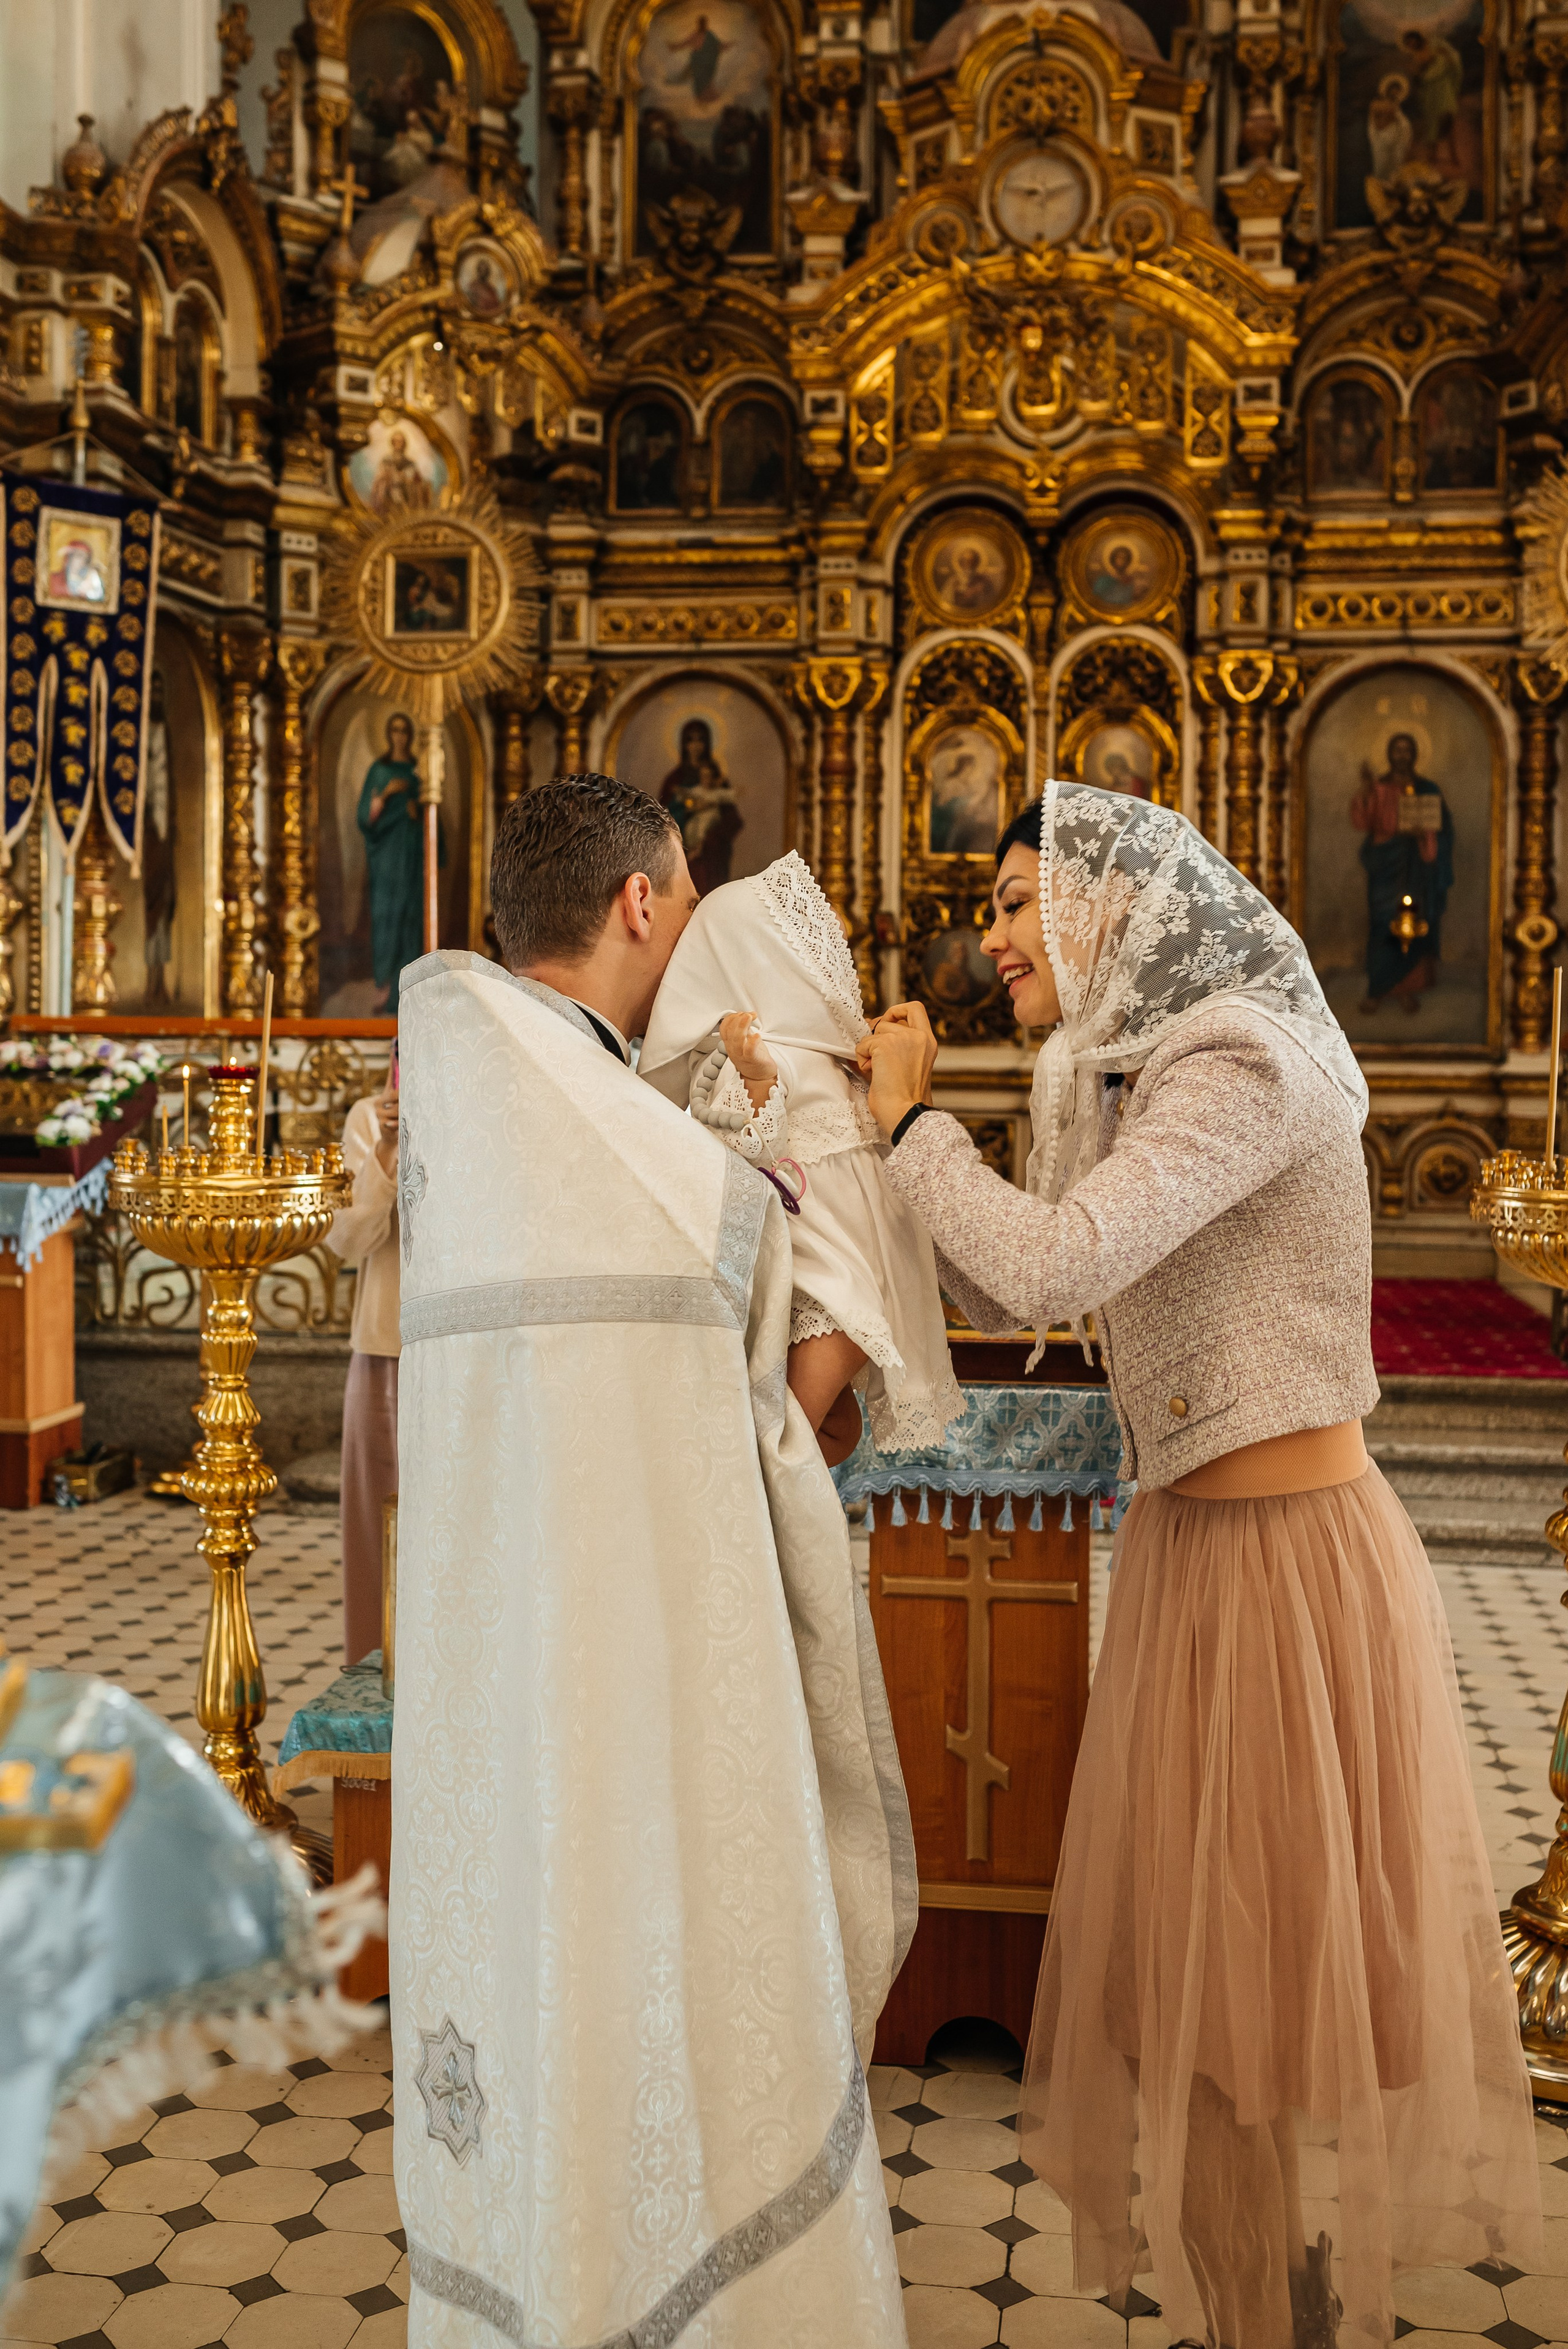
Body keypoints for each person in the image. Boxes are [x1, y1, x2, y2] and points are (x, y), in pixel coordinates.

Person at [862, 778, 1540, 2349]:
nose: (994, 933)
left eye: (1019, 900)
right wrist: (859, 1129)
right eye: (992, 904)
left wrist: (909, 1121)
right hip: (1186, 1547)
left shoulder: (1231, 1059)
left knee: (1268, 1999)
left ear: (1108, 900)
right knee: (1201, 1996)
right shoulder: (1133, 1069)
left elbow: (1049, 1257)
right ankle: (1249, 2306)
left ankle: (1285, 2307)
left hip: (1289, 1571)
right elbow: (1018, 1278)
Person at [388, 773, 913, 2348]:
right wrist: (853, 1155)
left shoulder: (474, 1089)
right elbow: (785, 1401)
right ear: (636, 903)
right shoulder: (649, 1151)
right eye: (684, 896)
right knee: (653, 1958)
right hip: (647, 1675)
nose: (691, 924)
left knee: (537, 1956)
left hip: (495, 1677)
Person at [640, 850, 963, 1464]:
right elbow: (742, 1158)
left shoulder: (839, 1056)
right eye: (807, 958)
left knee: (788, 1447)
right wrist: (760, 1080)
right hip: (826, 1288)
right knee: (808, 1444)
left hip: (865, 1277)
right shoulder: (754, 1057)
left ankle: (775, 1537)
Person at [326, 1057, 401, 1665]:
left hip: (478, 1350)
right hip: (389, 1349)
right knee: (380, 1534)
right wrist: (389, 1150)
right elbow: (348, 1239)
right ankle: (377, 1703)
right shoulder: (368, 1120)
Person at [1349, 728, 1454, 1015]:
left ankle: (1407, 990)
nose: (1403, 755)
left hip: (1418, 864)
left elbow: (1443, 830)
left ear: (1415, 755)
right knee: (1384, 923)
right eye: (1398, 749)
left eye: (1408, 750)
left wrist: (1426, 835)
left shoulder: (1428, 790)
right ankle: (1379, 989)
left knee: (1415, 920)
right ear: (1389, 754)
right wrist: (1367, 792)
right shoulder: (1378, 787)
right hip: (1385, 863)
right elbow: (1362, 822)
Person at [357, 713, 434, 1010]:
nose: (400, 736)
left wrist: (417, 812)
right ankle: (384, 988)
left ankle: (406, 995)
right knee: (387, 918)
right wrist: (387, 796)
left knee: (410, 921)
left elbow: (431, 817)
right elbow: (366, 817)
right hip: (387, 862)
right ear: (389, 734)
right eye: (395, 730)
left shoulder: (417, 770)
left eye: (405, 731)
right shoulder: (380, 771)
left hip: (413, 859)